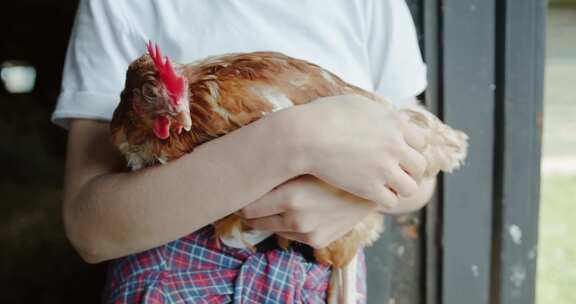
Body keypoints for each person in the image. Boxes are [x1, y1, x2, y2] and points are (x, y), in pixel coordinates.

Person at [52, 0, 435, 303]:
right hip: (171, 277)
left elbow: (425, 164)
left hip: (318, 275)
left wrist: (356, 194)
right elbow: (90, 230)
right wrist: (292, 140)